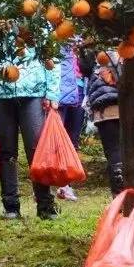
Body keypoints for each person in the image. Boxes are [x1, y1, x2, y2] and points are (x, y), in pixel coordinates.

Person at [0, 31, 60, 221]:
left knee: (36, 149)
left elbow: (51, 56)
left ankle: (45, 204)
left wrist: (52, 92)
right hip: (0, 94)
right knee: (6, 153)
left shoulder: (35, 20)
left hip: (32, 93)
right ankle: (11, 206)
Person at [81, 48, 134, 197]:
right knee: (130, 152)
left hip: (107, 106)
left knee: (114, 151)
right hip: (128, 105)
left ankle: (121, 198)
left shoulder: (100, 48)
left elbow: (85, 68)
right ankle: (131, 197)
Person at [53, 38, 85, 203]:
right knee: (57, 140)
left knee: (73, 140)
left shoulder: (82, 39)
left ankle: (66, 185)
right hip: (59, 92)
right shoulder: (56, 37)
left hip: (79, 91)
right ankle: (52, 182)